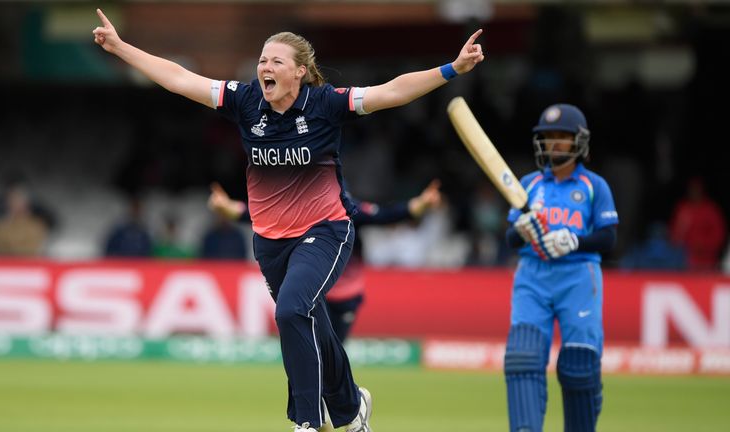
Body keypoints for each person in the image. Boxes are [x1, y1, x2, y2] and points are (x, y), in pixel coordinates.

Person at [93, 9, 484, 432]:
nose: (265, 67)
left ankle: (306, 422)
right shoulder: (245, 102)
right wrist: (121, 47)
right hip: (270, 241)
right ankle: (352, 409)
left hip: (326, 231)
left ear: (300, 72)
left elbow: (392, 92)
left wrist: (452, 68)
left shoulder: (326, 103)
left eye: (276, 61)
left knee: (291, 311)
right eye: (262, 60)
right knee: (311, 320)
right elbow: (178, 78)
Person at [503, 104, 618, 432]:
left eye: (562, 137)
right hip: (532, 275)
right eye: (548, 136)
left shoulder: (595, 185)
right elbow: (511, 238)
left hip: (578, 276)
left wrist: (575, 242)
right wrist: (522, 230)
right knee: (522, 359)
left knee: (579, 367)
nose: (553, 143)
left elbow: (609, 238)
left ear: (579, 141)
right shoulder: (528, 184)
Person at [208, 180, 442, 341]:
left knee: (333, 351)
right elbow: (257, 213)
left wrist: (422, 204)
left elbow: (387, 214)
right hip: (315, 295)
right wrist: (227, 207)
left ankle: (334, 403)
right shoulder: (302, 210)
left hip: (346, 296)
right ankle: (319, 405)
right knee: (314, 350)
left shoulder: (349, 209)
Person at [668, 176, 727, 271]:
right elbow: (674, 234)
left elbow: (719, 235)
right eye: (692, 189)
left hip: (707, 261)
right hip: (683, 261)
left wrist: (704, 245)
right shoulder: (683, 209)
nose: (694, 192)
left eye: (696, 189)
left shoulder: (710, 210)